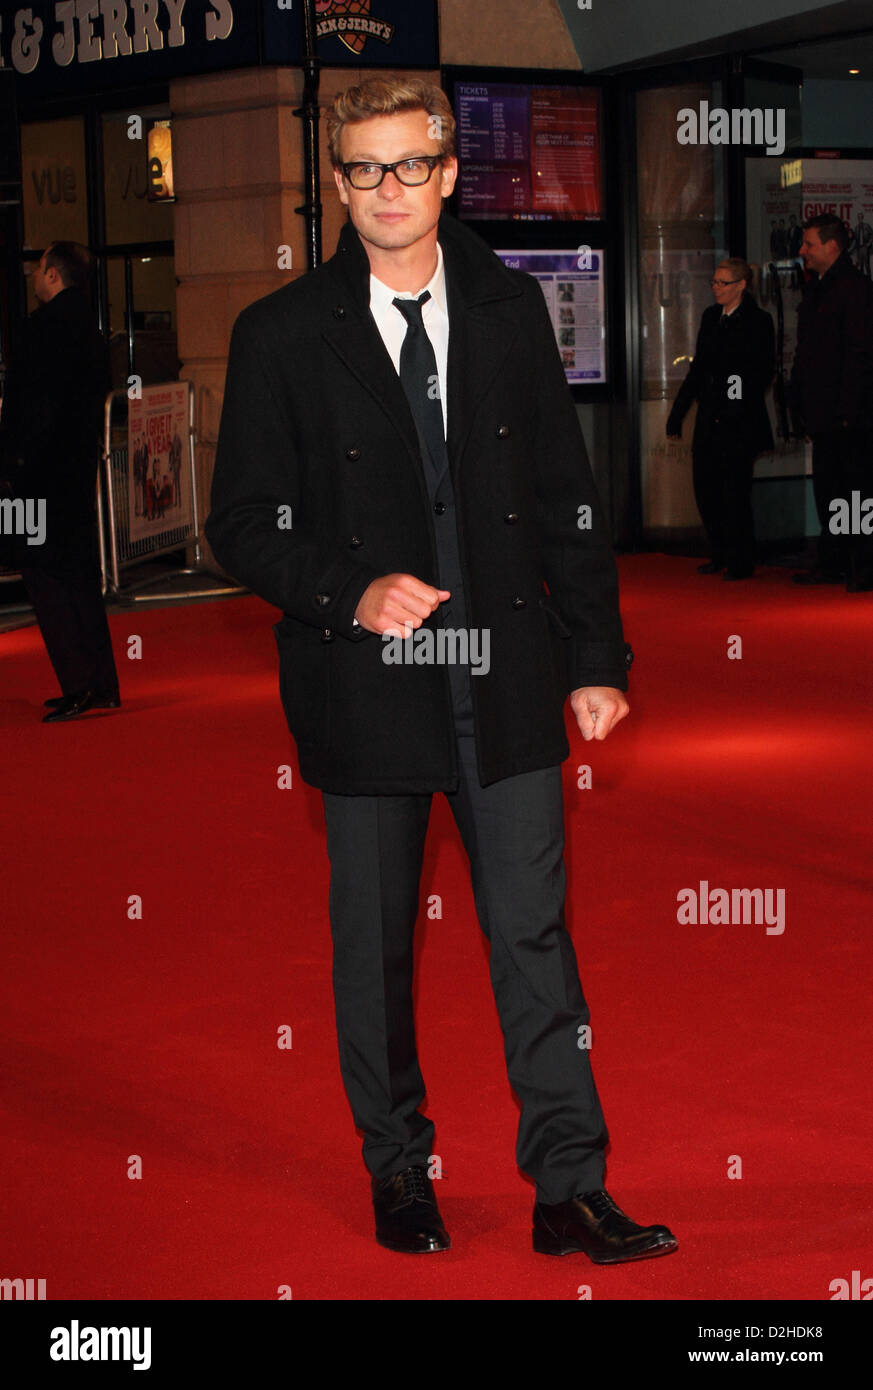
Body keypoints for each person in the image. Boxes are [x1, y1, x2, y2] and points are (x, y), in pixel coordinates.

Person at [206, 76, 677, 1264]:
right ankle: (399, 1172)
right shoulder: (281, 332)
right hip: (365, 681)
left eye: (410, 167)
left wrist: (595, 653)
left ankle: (569, 1184)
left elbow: (568, 498)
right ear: (338, 181)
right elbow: (243, 523)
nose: (387, 193)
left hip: (505, 674)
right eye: (362, 171)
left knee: (534, 941)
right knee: (375, 950)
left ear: (451, 171)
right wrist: (347, 591)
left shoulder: (512, 311)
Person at [0, 241, 120, 720]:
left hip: (36, 477)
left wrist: (12, 466)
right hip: (75, 472)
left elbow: (30, 410)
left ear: (53, 274)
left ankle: (78, 685)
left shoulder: (39, 329)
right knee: (79, 576)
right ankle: (102, 683)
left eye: (38, 268)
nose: (32, 276)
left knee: (42, 577)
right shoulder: (91, 331)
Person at [667, 258, 775, 579]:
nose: (716, 288)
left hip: (738, 421)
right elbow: (699, 368)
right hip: (709, 418)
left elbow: (757, 372)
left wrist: (730, 404)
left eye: (722, 283)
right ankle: (719, 552)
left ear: (741, 285)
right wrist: (679, 411)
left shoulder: (757, 321)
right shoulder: (711, 317)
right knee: (706, 488)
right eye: (714, 282)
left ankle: (741, 560)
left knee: (734, 492)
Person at [790, 214, 873, 591]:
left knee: (856, 492)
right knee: (829, 491)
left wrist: (846, 411)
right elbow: (807, 352)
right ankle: (835, 560)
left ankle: (864, 565)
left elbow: (860, 354)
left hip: (851, 417)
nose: (802, 251)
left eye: (809, 244)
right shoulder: (816, 289)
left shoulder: (855, 290)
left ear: (832, 247)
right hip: (825, 413)